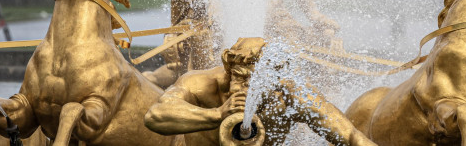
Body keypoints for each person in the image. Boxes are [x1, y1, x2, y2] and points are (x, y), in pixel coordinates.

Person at [143, 37, 375, 146]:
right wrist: (216, 115)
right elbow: (155, 116)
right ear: (228, 69)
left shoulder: (290, 95)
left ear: (274, 81)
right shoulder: (201, 84)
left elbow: (352, 137)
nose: (244, 89)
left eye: (255, 85)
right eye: (240, 78)